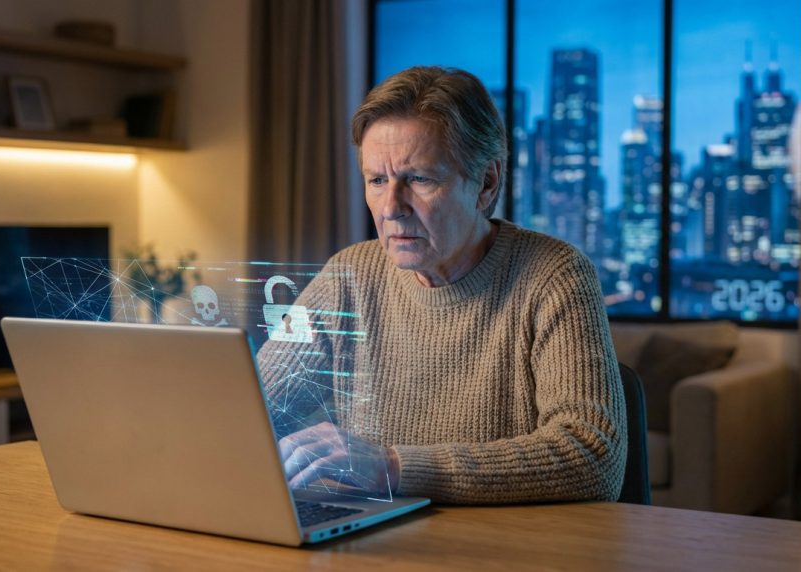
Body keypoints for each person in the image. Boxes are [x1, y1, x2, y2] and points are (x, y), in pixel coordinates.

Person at [258, 65, 626, 504]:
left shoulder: (555, 276)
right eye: (377, 180)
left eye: (419, 179)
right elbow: (250, 412)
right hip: (374, 546)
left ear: (486, 183)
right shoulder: (348, 277)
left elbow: (592, 457)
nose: (391, 207)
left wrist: (394, 468)